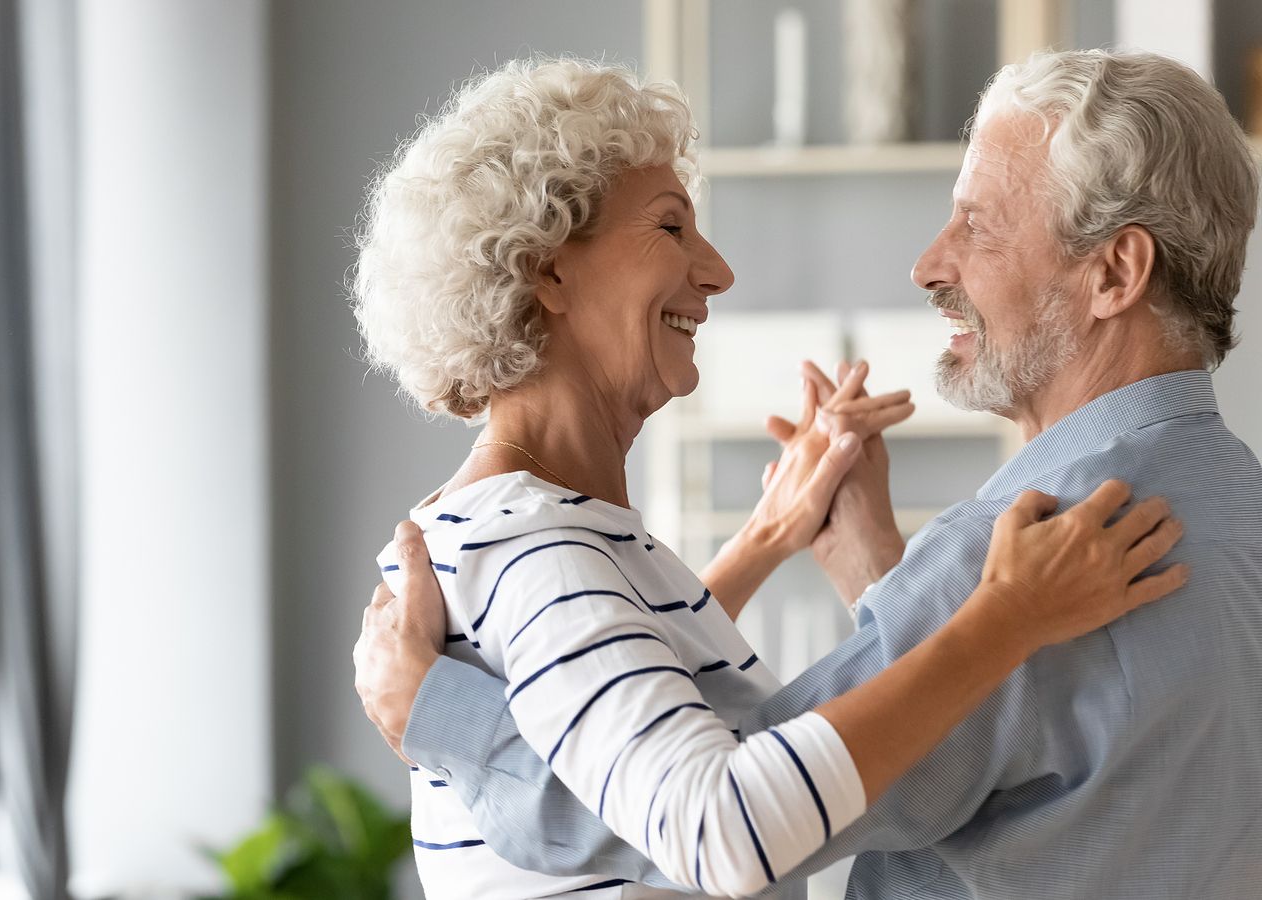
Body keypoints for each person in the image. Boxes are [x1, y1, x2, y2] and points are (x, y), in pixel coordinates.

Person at [355, 49, 1262, 898]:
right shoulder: (1239, 509)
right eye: (671, 227)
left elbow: (711, 816)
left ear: (1115, 272)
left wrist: (440, 718)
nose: (927, 263)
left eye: (976, 226)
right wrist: (870, 567)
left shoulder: (1018, 570)